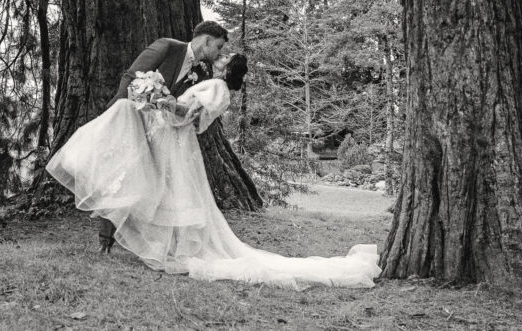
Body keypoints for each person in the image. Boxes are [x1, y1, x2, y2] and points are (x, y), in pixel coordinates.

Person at [46, 50, 381, 289]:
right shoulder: (210, 83)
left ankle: (172, 249)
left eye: (221, 54)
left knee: (173, 193)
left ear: (225, 66)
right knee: (165, 192)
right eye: (219, 50)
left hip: (175, 142)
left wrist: (160, 99)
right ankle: (157, 244)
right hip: (168, 138)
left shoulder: (217, 88)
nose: (216, 56)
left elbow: (188, 115)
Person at [92, 21, 228, 253]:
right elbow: (130, 78)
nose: (218, 53)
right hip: (131, 118)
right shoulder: (167, 47)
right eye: (218, 46)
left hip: (158, 130)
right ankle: (105, 241)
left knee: (152, 181)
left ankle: (151, 241)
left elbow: (180, 104)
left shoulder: (200, 72)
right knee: (119, 177)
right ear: (206, 41)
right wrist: (132, 110)